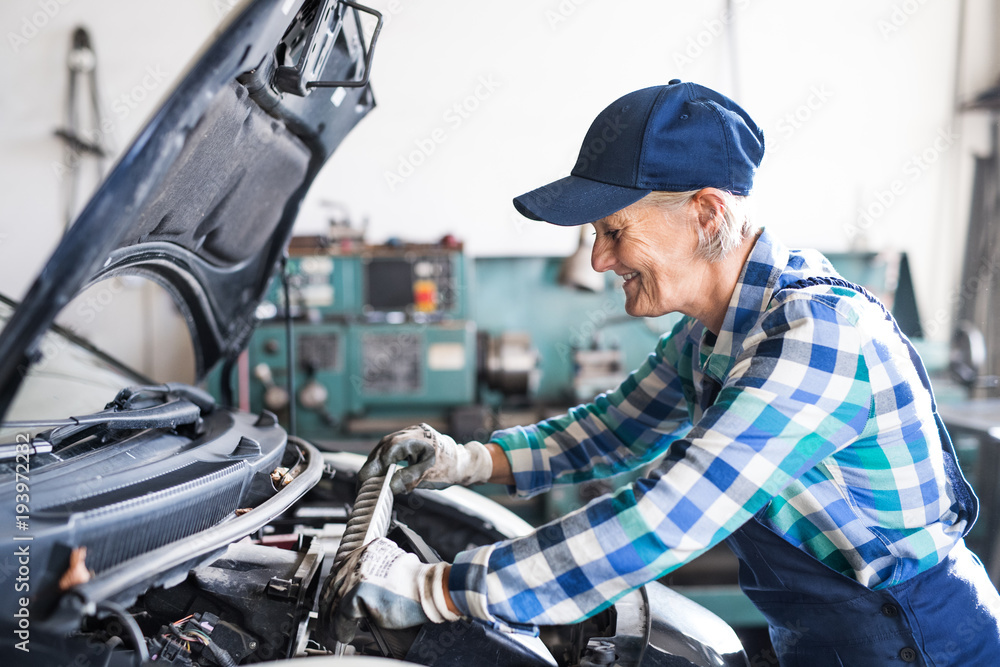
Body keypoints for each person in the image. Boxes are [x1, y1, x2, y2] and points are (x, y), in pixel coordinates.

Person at [331, 80, 1000, 665]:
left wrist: (439, 589)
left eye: (614, 232)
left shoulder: (818, 336)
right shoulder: (715, 329)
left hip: (919, 642)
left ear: (706, 214)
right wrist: (466, 460)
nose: (597, 260)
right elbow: (610, 431)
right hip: (826, 639)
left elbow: (667, 516)